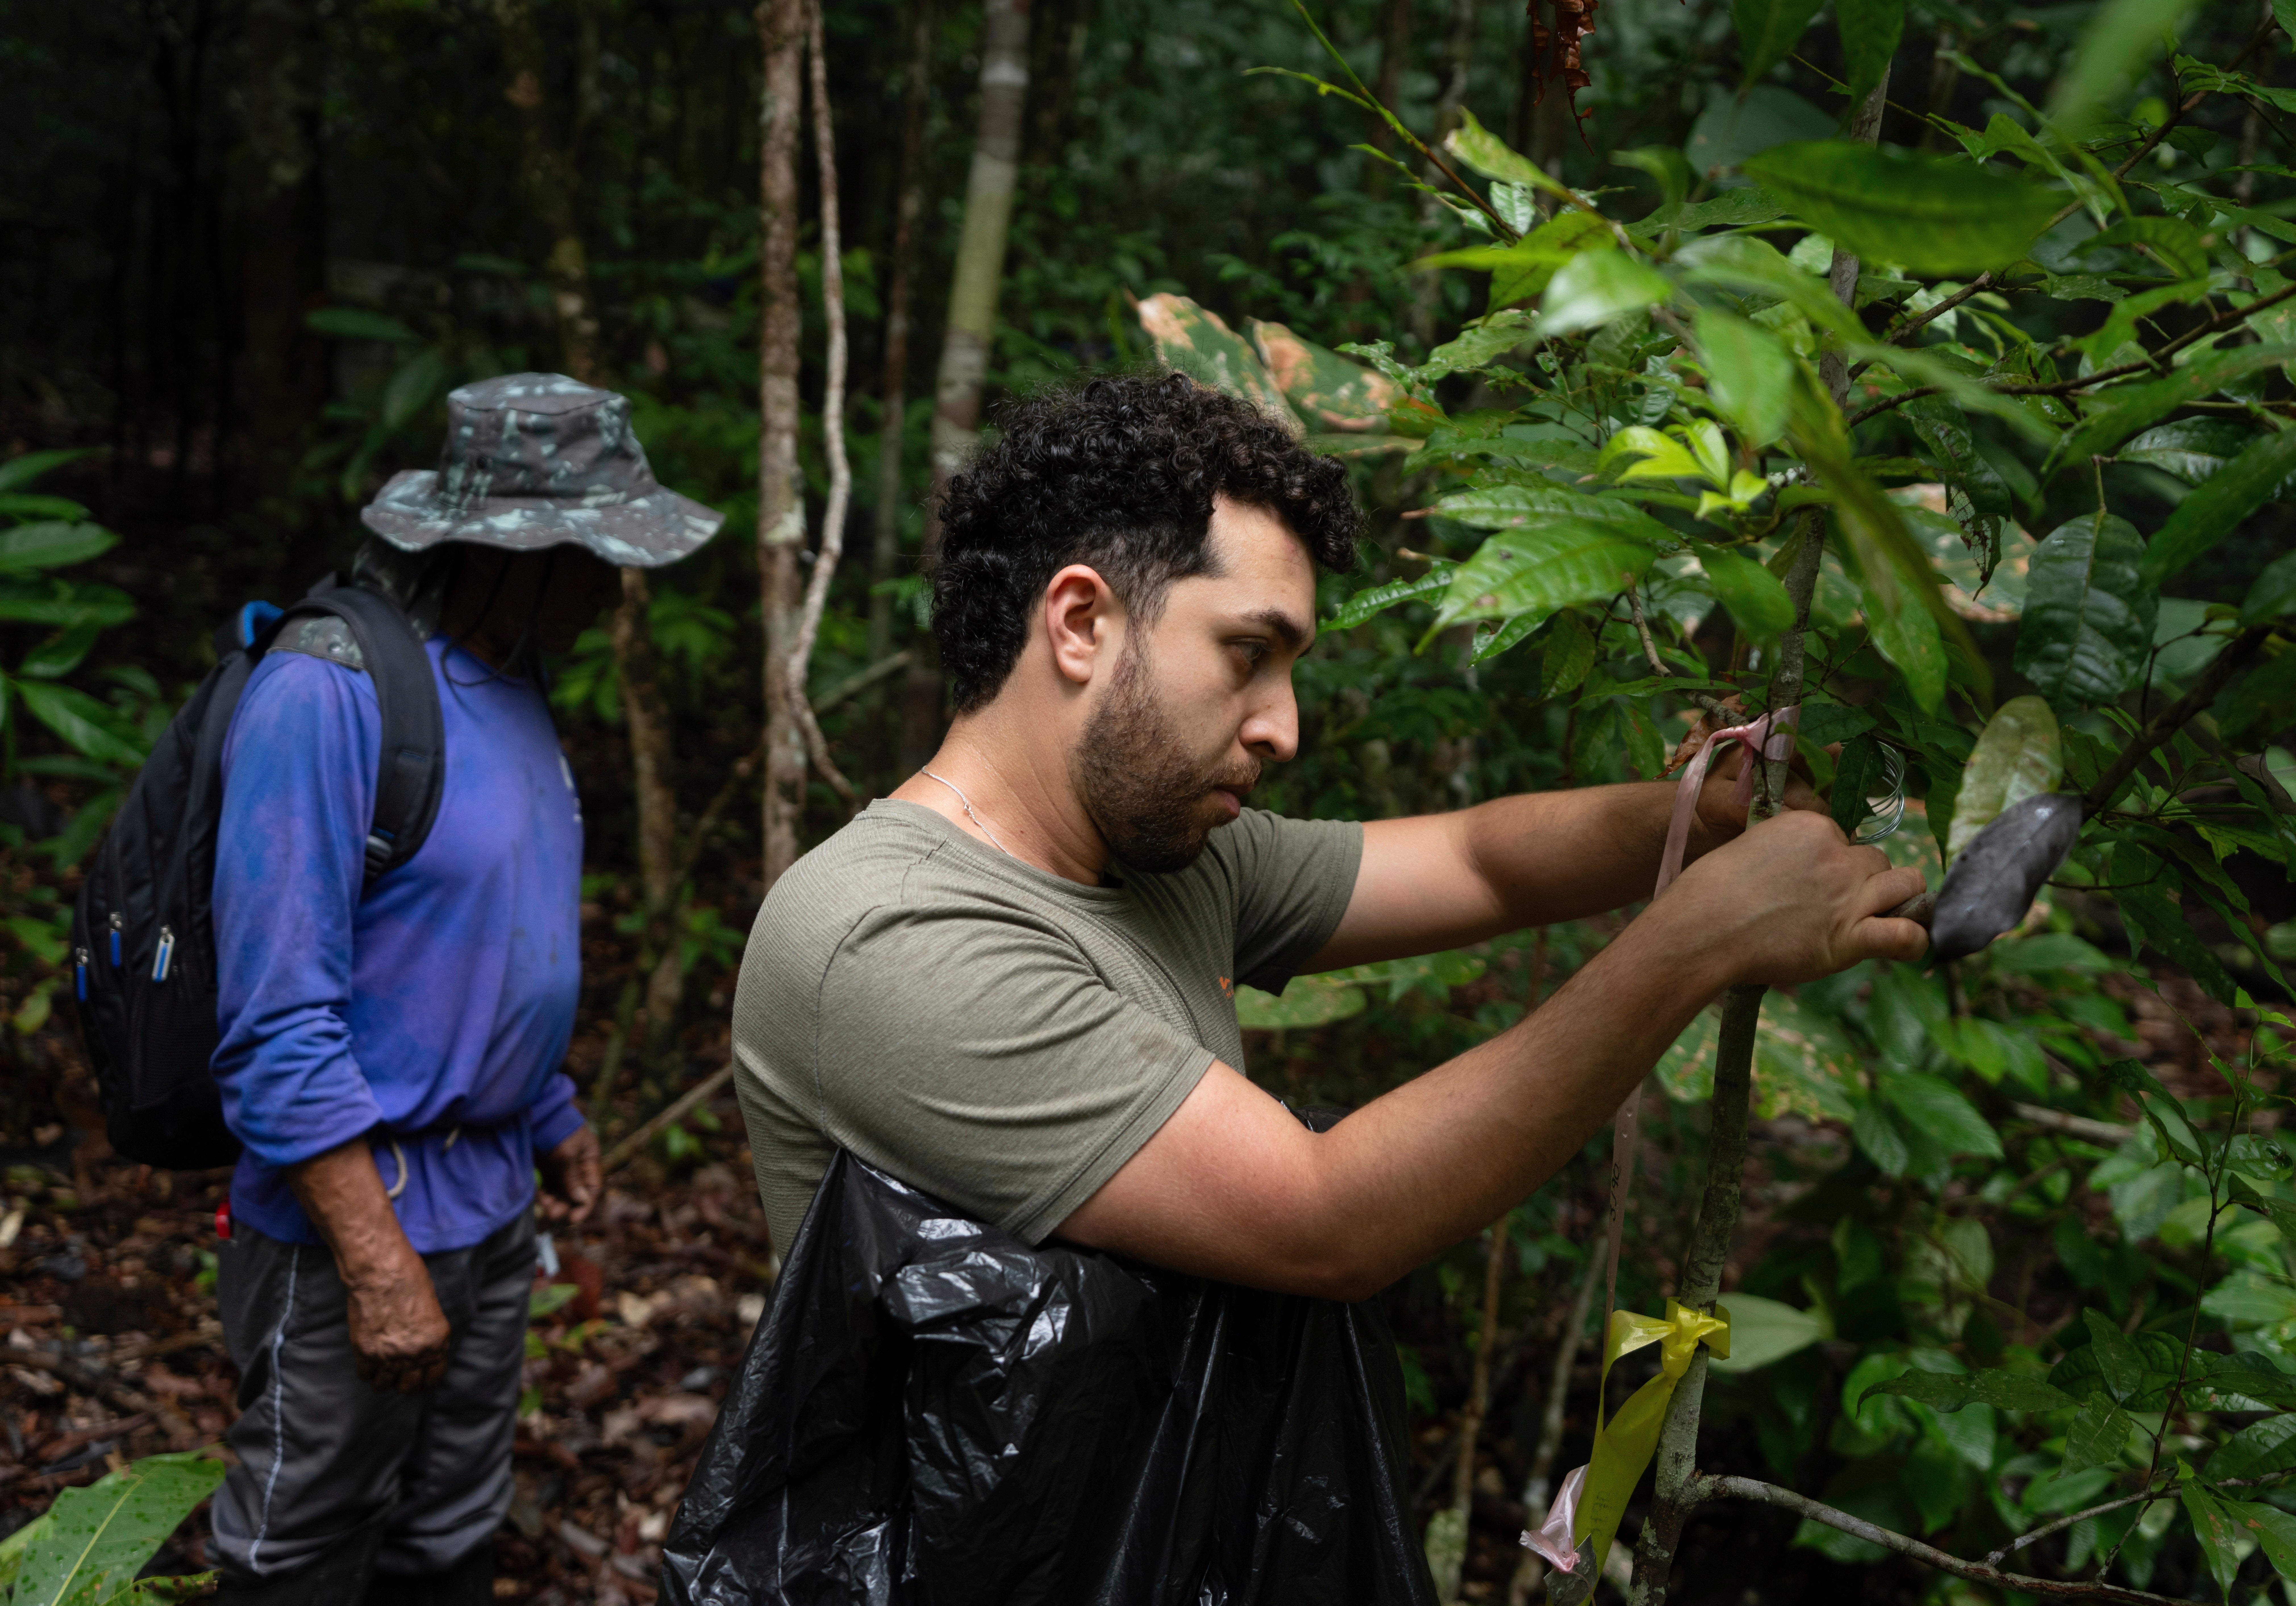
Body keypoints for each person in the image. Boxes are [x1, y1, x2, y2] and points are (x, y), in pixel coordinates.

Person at [732, 372, 1926, 1307]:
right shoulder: (889, 938)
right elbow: (1324, 1219)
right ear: (1084, 622)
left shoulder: (1156, 857)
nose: (1283, 729)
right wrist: (1697, 944)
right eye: (1249, 655)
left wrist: (1704, 814)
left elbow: (1473, 860)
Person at [207, 374, 720, 1606]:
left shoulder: (517, 693)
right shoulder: (328, 696)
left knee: (448, 1536)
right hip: (358, 1214)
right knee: (303, 1546)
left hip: (489, 1203)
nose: (616, 587)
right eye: (595, 554)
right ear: (510, 551)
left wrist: (549, 1110)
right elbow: (273, 1015)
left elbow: (481, 938)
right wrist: (379, 1263)